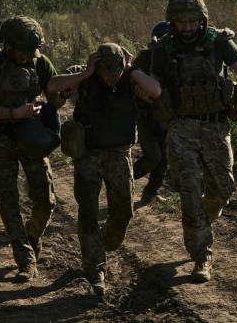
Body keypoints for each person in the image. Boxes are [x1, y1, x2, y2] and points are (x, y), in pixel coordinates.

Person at [150, 0, 237, 283]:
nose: (186, 27)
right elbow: (154, 85)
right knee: (190, 193)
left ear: (202, 19)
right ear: (171, 21)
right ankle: (202, 256)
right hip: (181, 128)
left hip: (215, 126)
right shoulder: (164, 48)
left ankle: (201, 223)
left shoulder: (218, 43)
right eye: (180, 21)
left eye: (191, 20)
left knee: (223, 188)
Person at [47, 43, 161, 295]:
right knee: (87, 211)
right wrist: (85, 74)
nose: (112, 75)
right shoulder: (85, 76)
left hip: (120, 154)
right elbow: (53, 87)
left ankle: (103, 242)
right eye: (107, 70)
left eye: (117, 69)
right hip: (88, 154)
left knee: (123, 211)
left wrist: (131, 69)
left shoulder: (130, 79)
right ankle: (94, 268)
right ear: (97, 66)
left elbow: (155, 91)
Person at [0, 16, 68, 282]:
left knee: (46, 201)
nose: (26, 57)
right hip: (2, 138)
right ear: (7, 45)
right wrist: (15, 113)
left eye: (31, 51)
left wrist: (62, 96)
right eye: (21, 51)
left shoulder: (41, 63)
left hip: (32, 138)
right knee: (8, 200)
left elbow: (54, 101)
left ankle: (32, 236)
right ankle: (25, 259)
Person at [132, 21, 171, 202]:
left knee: (163, 160)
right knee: (153, 157)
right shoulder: (144, 59)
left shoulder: (173, 58)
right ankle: (123, 181)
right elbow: (137, 88)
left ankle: (150, 193)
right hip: (146, 115)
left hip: (165, 116)